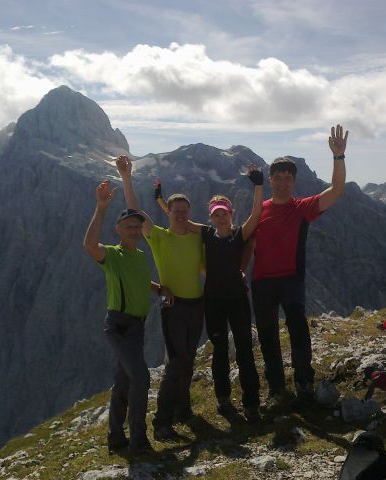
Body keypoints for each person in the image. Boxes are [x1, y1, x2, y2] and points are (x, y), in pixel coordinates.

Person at [245, 124, 348, 408]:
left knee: (298, 331)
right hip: (262, 282)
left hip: (291, 279)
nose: (282, 182)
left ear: (294, 182)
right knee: (267, 336)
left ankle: (303, 382)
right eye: (277, 178)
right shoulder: (259, 210)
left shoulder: (302, 208)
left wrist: (338, 158)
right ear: (270, 180)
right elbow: (247, 241)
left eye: (287, 178)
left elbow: (337, 190)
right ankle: (277, 387)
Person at [154, 167, 264, 423]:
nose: (221, 217)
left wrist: (258, 185)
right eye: (217, 214)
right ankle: (223, 399)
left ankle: (251, 403)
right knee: (220, 351)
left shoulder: (239, 235)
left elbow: (257, 214)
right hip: (213, 302)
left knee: (245, 351)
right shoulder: (205, 233)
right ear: (212, 217)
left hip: (236, 300)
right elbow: (177, 219)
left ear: (230, 214)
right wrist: (160, 197)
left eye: (224, 213)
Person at [116, 155, 204, 441]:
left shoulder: (196, 237)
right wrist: (126, 177)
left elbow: (208, 264)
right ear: (168, 212)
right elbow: (135, 211)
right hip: (173, 306)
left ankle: (183, 410)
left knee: (188, 360)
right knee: (177, 362)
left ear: (189, 212)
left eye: (184, 210)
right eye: (175, 210)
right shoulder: (159, 237)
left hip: (196, 305)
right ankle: (162, 422)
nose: (179, 214)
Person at [82, 179, 171, 454]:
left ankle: (116, 439)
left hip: (136, 327)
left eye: (136, 226)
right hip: (119, 326)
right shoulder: (112, 254)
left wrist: (160, 290)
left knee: (123, 382)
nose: (134, 230)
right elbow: (89, 245)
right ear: (117, 230)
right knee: (141, 378)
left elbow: (141, 282)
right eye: (128, 226)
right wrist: (100, 208)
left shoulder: (139, 255)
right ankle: (139, 440)